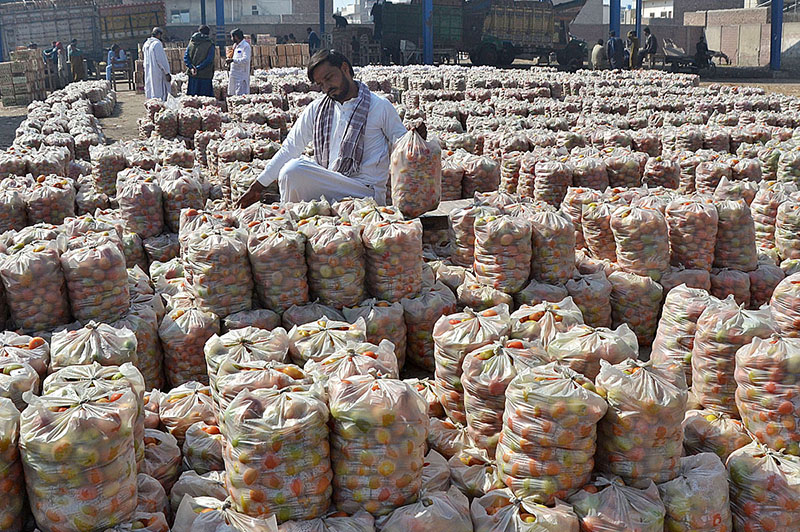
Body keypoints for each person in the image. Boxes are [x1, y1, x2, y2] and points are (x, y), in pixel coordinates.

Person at [236, 49, 422, 206]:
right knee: (292, 172)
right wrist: (257, 187)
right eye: (321, 84)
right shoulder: (317, 109)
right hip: (330, 182)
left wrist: (417, 140)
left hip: (364, 191)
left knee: (294, 169)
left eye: (329, 78)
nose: (326, 88)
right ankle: (294, 235)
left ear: (345, 68)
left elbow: (402, 146)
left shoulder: (379, 106)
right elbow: (291, 148)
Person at [184, 25, 215, 97]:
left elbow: (186, 57)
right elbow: (209, 59)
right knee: (205, 100)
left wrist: (191, 67)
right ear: (208, 33)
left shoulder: (191, 42)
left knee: (192, 99)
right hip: (205, 75)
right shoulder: (209, 44)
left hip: (192, 75)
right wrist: (197, 68)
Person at [143, 27, 171, 100]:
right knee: (160, 92)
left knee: (152, 90)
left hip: (149, 71)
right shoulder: (157, 44)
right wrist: (166, 72)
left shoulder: (146, 44)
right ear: (158, 34)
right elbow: (160, 60)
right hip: (158, 71)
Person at [227, 28, 251, 96]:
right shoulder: (235, 46)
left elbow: (246, 60)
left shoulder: (245, 46)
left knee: (241, 94)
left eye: (232, 37)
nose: (231, 39)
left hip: (241, 74)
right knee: (233, 93)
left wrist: (233, 60)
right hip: (234, 73)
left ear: (236, 37)